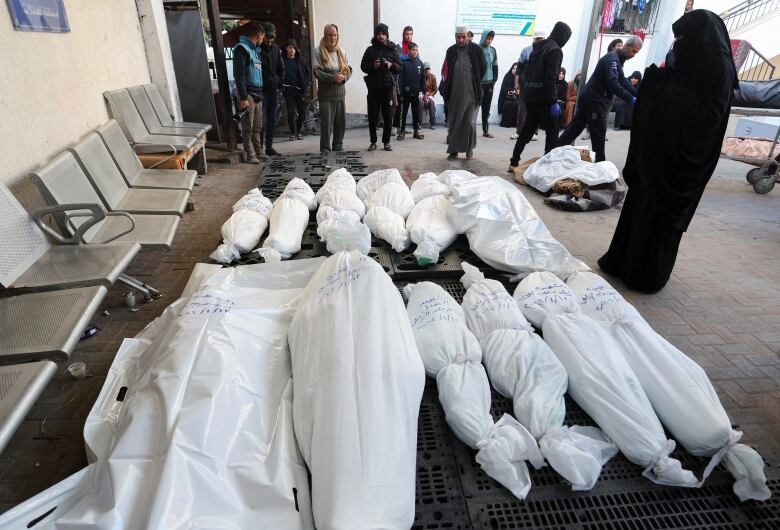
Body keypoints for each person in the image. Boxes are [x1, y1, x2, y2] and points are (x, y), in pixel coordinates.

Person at [598, 10, 737, 293]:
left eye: (683, 37)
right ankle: (623, 262)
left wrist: (662, 96)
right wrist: (656, 86)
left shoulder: (718, 66)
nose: (679, 43)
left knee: (659, 217)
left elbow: (707, 116)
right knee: (640, 207)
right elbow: (676, 90)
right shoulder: (694, 58)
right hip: (657, 153)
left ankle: (646, 274)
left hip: (680, 161)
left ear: (700, 37)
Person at [557, 35, 642, 162]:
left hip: (591, 99)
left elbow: (623, 80)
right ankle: (600, 164)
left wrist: (637, 95)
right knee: (599, 133)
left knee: (574, 130)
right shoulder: (612, 59)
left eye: (637, 52)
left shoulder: (618, 60)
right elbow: (613, 82)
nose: (634, 55)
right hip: (594, 101)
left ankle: (551, 153)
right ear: (627, 45)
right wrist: (630, 99)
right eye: (634, 51)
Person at [508, 21, 572, 170]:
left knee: (527, 130)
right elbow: (551, 77)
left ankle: (513, 162)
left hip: (530, 97)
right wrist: (553, 101)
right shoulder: (555, 50)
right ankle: (547, 167)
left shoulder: (538, 47)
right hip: (544, 99)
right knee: (552, 132)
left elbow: (527, 72)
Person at [443, 25, 487, 160]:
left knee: (470, 122)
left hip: (472, 93)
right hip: (454, 92)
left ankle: (469, 149)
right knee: (454, 122)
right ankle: (454, 150)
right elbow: (445, 70)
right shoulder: (450, 51)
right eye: (458, 37)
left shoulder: (477, 50)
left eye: (463, 37)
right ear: (455, 37)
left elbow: (483, 68)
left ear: (468, 36)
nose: (461, 40)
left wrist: (476, 82)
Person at [361, 23, 401, 151]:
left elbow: (400, 67)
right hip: (373, 89)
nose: (381, 36)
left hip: (388, 89)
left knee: (388, 117)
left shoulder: (393, 50)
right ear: (376, 35)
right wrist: (373, 66)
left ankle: (386, 142)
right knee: (372, 117)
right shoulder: (370, 50)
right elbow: (363, 66)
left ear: (387, 35)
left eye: (383, 34)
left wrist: (391, 65)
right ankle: (373, 142)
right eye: (378, 34)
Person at [312, 24, 352, 154]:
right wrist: (333, 78)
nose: (333, 38)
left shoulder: (341, 51)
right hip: (326, 96)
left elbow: (348, 70)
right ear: (325, 35)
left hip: (340, 94)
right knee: (326, 126)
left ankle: (338, 147)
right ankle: (325, 149)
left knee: (340, 125)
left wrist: (344, 77)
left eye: (335, 35)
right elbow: (317, 72)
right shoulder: (318, 51)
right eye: (330, 35)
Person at [233, 23, 265, 164]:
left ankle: (259, 152)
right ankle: (249, 154)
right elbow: (239, 75)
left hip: (258, 93)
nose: (262, 40)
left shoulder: (255, 51)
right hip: (248, 94)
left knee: (257, 126)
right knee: (248, 127)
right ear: (259, 35)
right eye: (263, 37)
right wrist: (243, 97)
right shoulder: (242, 49)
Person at [511, 30, 545, 140]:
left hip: (538, 85)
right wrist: (517, 82)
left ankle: (534, 132)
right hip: (525, 84)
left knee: (535, 109)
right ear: (534, 39)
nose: (539, 41)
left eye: (541, 39)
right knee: (522, 108)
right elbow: (519, 67)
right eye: (537, 39)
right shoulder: (526, 51)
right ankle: (519, 131)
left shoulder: (547, 52)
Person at [260, 22, 284, 156]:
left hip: (274, 91)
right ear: (263, 36)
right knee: (261, 122)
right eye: (268, 37)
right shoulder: (257, 49)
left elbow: (281, 69)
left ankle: (269, 147)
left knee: (272, 120)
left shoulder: (276, 49)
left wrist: (279, 83)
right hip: (262, 91)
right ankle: (259, 149)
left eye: (272, 37)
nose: (270, 40)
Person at [282, 38, 311, 141]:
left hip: (301, 91)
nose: (292, 50)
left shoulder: (300, 60)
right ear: (286, 48)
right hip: (289, 91)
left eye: (294, 48)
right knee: (290, 112)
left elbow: (308, 72)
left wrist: (306, 84)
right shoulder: (282, 61)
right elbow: (279, 73)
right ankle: (292, 133)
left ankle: (299, 132)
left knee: (302, 114)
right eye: (290, 48)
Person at [397, 42, 425, 140]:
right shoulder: (403, 62)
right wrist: (400, 92)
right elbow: (399, 79)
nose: (415, 52)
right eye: (413, 50)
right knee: (404, 112)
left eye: (416, 50)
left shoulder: (420, 63)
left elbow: (422, 79)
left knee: (415, 113)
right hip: (406, 93)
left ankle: (416, 131)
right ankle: (402, 132)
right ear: (408, 51)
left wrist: (423, 91)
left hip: (416, 93)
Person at [392, 26, 415, 131]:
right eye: (407, 34)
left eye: (410, 34)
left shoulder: (415, 48)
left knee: (405, 105)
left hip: (409, 80)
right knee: (397, 103)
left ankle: (402, 127)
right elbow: (396, 62)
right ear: (403, 34)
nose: (409, 36)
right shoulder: (398, 48)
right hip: (398, 79)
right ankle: (394, 126)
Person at [479, 29, 499, 138]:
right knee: (474, 107)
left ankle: (485, 130)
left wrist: (494, 80)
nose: (489, 41)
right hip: (479, 84)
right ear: (483, 37)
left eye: (491, 39)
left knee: (486, 108)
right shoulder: (477, 49)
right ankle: (469, 130)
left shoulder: (493, 50)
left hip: (489, 83)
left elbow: (495, 66)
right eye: (488, 38)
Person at [498, 63, 519, 128]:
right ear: (511, 69)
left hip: (517, 97)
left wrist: (517, 92)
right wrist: (511, 91)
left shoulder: (520, 77)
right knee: (509, 103)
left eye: (516, 69)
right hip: (507, 97)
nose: (515, 70)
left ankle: (516, 124)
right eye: (513, 68)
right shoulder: (507, 76)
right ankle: (507, 123)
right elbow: (503, 88)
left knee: (517, 103)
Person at [421, 62, 438, 129]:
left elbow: (435, 89)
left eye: (428, 69)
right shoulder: (420, 77)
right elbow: (418, 88)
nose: (427, 70)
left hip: (430, 96)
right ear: (423, 70)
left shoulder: (433, 77)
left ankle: (432, 124)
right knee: (420, 103)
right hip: (421, 95)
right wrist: (423, 95)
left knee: (431, 103)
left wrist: (429, 95)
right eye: (425, 69)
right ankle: (418, 123)